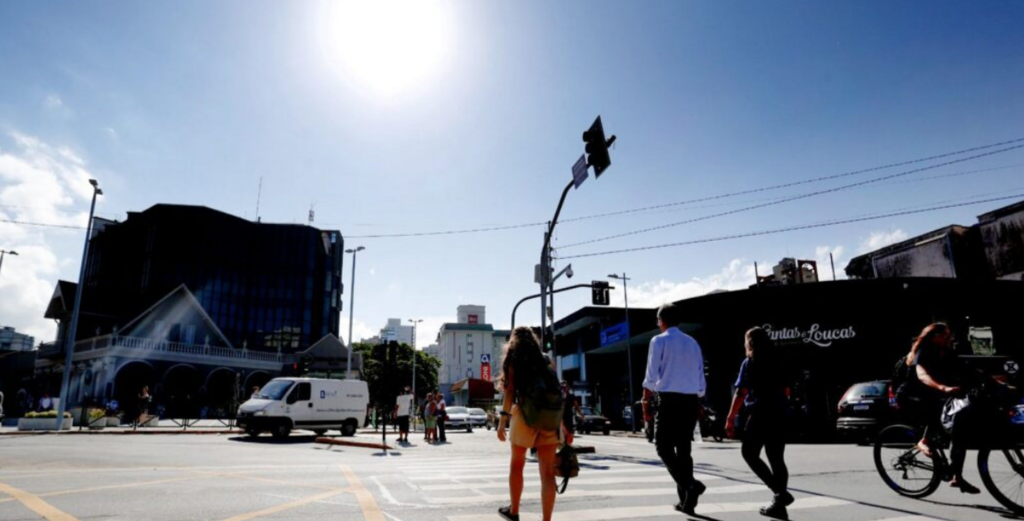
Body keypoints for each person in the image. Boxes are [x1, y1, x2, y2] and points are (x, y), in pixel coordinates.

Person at [642, 303, 707, 515]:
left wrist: (645, 404)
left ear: (661, 321)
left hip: (669, 401)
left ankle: (690, 486)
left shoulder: (658, 341)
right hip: (689, 402)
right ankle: (687, 502)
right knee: (684, 451)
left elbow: (651, 375)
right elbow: (700, 377)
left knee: (663, 448)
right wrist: (698, 402)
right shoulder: (693, 343)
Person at [900, 323, 979, 494]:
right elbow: (922, 375)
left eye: (949, 335)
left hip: (934, 394)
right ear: (934, 336)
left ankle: (957, 478)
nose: (948, 338)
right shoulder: (923, 352)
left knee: (958, 431)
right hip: (912, 396)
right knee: (937, 411)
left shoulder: (948, 352)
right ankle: (923, 441)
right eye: (945, 335)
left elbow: (970, 371)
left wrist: (997, 383)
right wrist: (943, 388)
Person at [726, 327, 794, 518]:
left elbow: (741, 392)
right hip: (780, 412)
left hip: (761, 413)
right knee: (776, 458)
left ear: (750, 343)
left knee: (748, 452)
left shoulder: (750, 362)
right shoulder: (779, 360)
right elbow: (786, 389)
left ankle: (780, 494)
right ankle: (780, 505)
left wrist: (730, 418)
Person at [496, 327, 562, 521]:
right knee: (548, 472)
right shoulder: (547, 359)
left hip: (524, 416)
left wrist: (502, 422)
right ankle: (546, 520)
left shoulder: (514, 361)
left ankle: (514, 511)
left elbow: (509, 393)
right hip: (549, 418)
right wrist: (564, 425)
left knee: (517, 465)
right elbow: (556, 392)